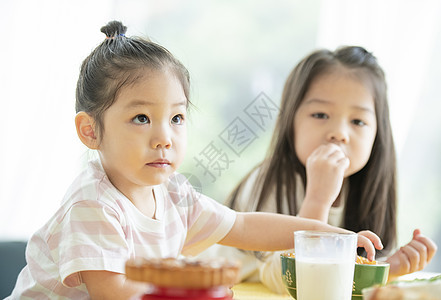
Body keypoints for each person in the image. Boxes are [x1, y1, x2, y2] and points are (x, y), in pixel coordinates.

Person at [6, 22, 382, 300]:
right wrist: (198, 286)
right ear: (90, 131)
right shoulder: (93, 204)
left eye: (177, 118)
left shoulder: (173, 195)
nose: (163, 138)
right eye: (141, 118)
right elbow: (114, 293)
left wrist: (337, 237)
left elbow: (247, 226)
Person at [198, 46, 438, 294]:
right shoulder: (272, 180)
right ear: (291, 122)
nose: (339, 133)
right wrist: (318, 198)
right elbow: (291, 280)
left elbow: (335, 280)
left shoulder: (365, 187)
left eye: (358, 121)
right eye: (321, 114)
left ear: (378, 134)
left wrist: (385, 267)